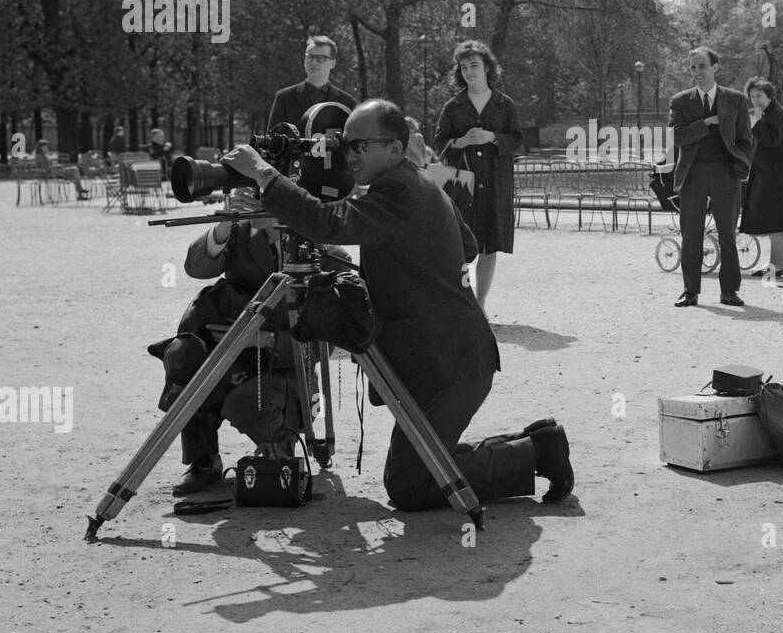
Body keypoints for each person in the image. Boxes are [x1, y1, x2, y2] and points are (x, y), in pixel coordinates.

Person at [223, 99, 574, 509]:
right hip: (452, 357)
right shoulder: (416, 181)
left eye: (359, 146)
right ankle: (535, 443)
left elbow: (327, 222)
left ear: (393, 149)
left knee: (410, 488)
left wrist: (264, 174)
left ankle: (534, 453)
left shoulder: (400, 190)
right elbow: (468, 245)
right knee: (415, 473)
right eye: (344, 144)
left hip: (451, 365)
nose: (347, 155)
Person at [153, 190, 304, 496]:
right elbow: (195, 267)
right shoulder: (241, 232)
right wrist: (223, 223)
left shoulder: (315, 240)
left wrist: (267, 339)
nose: (254, 196)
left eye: (263, 187)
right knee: (190, 361)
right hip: (234, 352)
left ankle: (279, 446)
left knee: (245, 401)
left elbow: (329, 333)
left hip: (286, 363)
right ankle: (203, 461)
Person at [433, 41, 524, 313]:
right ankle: (464, 300)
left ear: (487, 68)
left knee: (489, 246)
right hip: (463, 185)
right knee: (460, 243)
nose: (469, 71)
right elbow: (439, 143)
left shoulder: (504, 104)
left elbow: (518, 141)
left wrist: (492, 137)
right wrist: (461, 142)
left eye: (474, 65)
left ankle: (480, 302)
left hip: (497, 182)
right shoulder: (453, 106)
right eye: (464, 66)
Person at [668, 46, 754, 307]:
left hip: (725, 173)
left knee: (727, 233)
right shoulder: (680, 101)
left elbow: (745, 140)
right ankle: (690, 291)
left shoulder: (736, 99)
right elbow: (678, 136)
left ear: (715, 67)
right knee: (690, 234)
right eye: (693, 67)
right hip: (692, 173)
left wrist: (742, 165)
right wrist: (706, 124)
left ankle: (729, 291)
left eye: (702, 66)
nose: (697, 72)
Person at [740, 78, 783, 277]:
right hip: (773, 175)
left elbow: (772, 141)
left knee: (775, 219)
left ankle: (780, 263)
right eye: (752, 96)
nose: (755, 99)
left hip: (777, 177)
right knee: (774, 219)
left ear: (769, 96)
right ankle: (779, 262)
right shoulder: (770, 113)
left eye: (759, 95)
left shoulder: (775, 115)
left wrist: (756, 122)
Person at [267, 35, 358, 133]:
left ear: (333, 63)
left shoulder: (347, 103)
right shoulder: (284, 97)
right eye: (310, 57)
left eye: (321, 58)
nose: (313, 62)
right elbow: (271, 141)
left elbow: (352, 141)